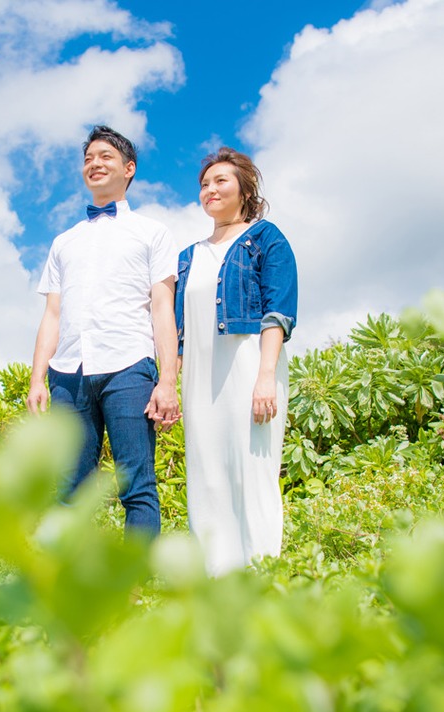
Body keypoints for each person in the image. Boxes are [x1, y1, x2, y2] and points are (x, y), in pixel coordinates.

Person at [27, 125, 181, 539]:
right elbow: (52, 314)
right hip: (67, 373)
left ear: (128, 169)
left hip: (129, 366)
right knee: (68, 489)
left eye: (105, 157)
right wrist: (37, 378)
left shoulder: (153, 232)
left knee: (136, 484)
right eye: (88, 158)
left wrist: (168, 380)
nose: (94, 164)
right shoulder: (64, 241)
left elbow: (164, 307)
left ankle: (130, 588)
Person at [175, 147, 298, 575]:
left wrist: (265, 377)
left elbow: (277, 312)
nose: (210, 189)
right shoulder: (188, 257)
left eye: (220, 181)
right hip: (199, 379)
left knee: (252, 472)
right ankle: (217, 584)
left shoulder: (266, 238)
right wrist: (168, 387)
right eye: (204, 184)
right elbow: (178, 334)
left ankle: (262, 578)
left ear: (245, 190)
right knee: (207, 477)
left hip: (251, 369)